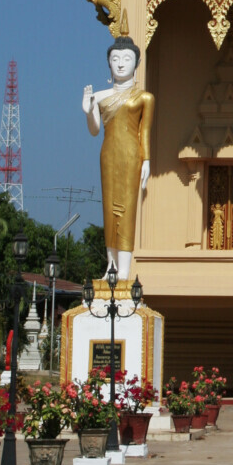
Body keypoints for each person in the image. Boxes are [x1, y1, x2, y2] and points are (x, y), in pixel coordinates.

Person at [82, 37, 154, 282]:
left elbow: (144, 132)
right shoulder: (100, 96)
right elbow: (94, 130)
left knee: (127, 209)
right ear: (108, 63)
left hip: (132, 155)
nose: (121, 65)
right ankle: (110, 267)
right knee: (109, 210)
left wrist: (146, 161)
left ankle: (124, 269)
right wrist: (88, 111)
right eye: (115, 59)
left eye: (127, 59)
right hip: (109, 154)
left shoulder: (144, 97)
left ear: (136, 63)